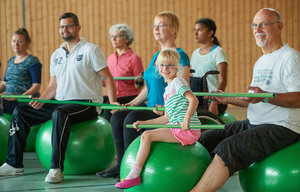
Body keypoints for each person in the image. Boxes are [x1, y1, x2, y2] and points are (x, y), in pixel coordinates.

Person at [190, 8, 300, 192]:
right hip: (254, 123)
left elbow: (298, 98)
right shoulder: (261, 61)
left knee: (228, 148)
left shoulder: (290, 57)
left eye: (264, 24)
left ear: (279, 27)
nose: (258, 29)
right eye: (255, 25)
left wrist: (265, 96)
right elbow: (254, 99)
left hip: (282, 127)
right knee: (205, 139)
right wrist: (225, 97)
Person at [0, 12, 117, 184]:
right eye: (62, 27)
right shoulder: (56, 55)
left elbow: (108, 78)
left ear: (78, 27)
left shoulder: (91, 50)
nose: (65, 30)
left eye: (68, 26)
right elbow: (52, 87)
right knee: (21, 111)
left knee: (60, 113)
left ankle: (56, 168)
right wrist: (41, 101)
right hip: (60, 103)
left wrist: (112, 104)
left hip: (86, 104)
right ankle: (14, 163)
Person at [97, 11, 190, 179]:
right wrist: (132, 102)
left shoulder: (180, 55)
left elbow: (183, 88)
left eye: (162, 25)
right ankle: (121, 165)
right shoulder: (157, 56)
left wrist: (167, 109)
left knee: (131, 119)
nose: (156, 29)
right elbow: (149, 87)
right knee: (117, 117)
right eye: (154, 25)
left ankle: (132, 167)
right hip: (150, 106)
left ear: (174, 30)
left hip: (164, 111)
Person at [115, 48, 201, 189]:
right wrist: (144, 123)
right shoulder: (168, 90)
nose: (165, 69)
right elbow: (166, 118)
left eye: (169, 65)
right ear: (157, 67)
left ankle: (134, 175)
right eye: (162, 65)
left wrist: (186, 119)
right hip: (176, 126)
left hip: (186, 130)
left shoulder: (178, 82)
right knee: (147, 132)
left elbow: (194, 100)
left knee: (147, 136)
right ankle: (134, 174)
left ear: (177, 67)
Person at [102, 23, 144, 121]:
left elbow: (139, 86)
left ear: (127, 39)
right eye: (112, 36)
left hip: (129, 97)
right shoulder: (110, 58)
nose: (113, 39)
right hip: (113, 97)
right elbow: (105, 82)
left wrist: (139, 81)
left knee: (108, 106)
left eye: (117, 36)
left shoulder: (134, 58)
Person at [190, 18, 228, 115]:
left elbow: (223, 80)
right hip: (198, 99)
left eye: (199, 30)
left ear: (210, 32)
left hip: (214, 100)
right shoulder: (195, 53)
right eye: (195, 30)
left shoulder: (218, 52)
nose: (195, 33)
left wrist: (214, 102)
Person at [0, 28, 42, 115]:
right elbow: (4, 84)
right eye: (14, 41)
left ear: (27, 43)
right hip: (8, 100)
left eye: (20, 42)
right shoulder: (11, 61)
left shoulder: (32, 61)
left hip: (23, 102)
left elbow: (36, 86)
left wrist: (19, 98)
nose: (16, 44)